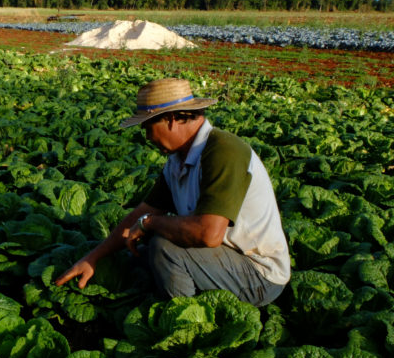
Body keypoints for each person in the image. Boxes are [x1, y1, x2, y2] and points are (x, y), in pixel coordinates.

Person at [55, 78, 290, 307]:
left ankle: (185, 327)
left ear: (169, 120)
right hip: (219, 261)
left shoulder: (224, 151)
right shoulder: (178, 160)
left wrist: (151, 224)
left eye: (148, 127)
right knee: (137, 256)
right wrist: (93, 257)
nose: (147, 137)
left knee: (163, 249)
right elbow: (142, 212)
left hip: (258, 275)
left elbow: (209, 235)